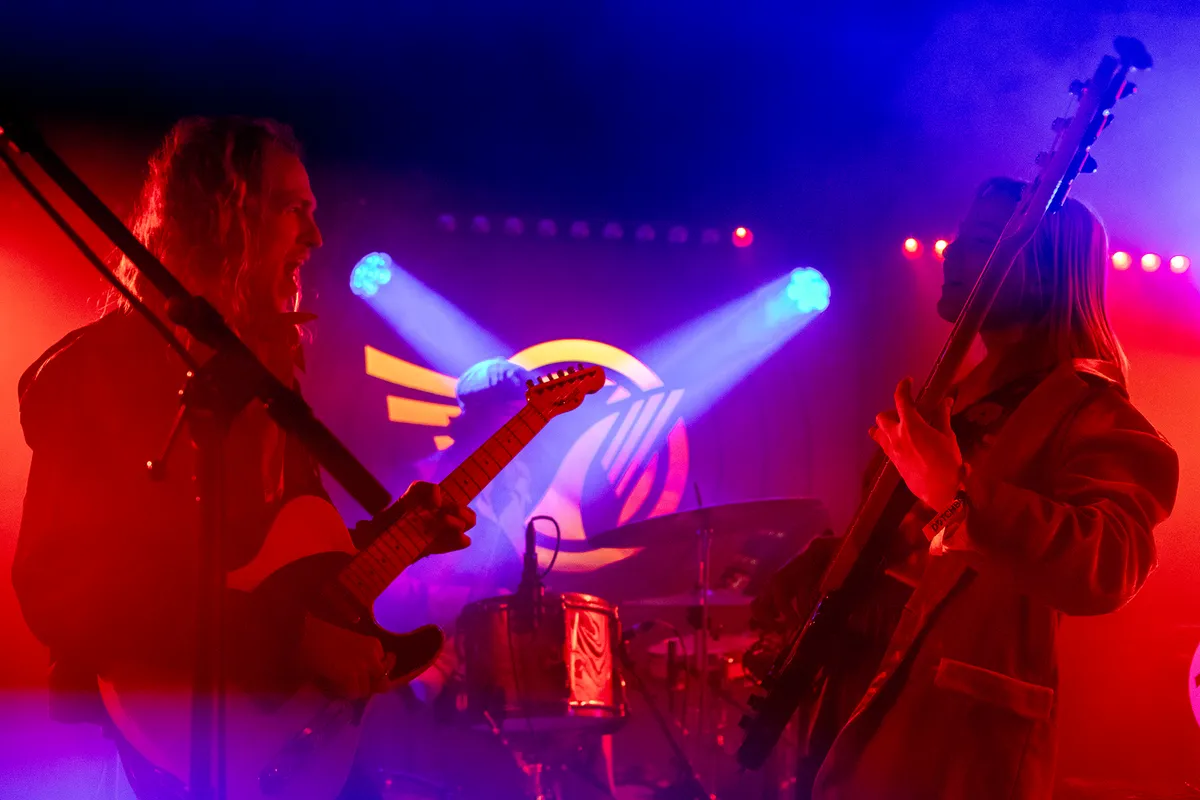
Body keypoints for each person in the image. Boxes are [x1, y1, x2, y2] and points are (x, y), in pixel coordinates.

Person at [11, 117, 476, 800]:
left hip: (296, 741)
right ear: (223, 216)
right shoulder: (100, 370)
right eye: (292, 209)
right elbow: (64, 588)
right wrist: (292, 637)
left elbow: (286, 569)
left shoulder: (266, 378)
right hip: (170, 747)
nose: (316, 238)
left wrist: (397, 537)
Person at [751, 177, 1179, 799]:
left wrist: (955, 493)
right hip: (858, 698)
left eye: (980, 239)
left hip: (954, 740)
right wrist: (837, 562)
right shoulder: (949, 398)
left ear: (1045, 266)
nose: (952, 252)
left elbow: (1109, 563)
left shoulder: (1092, 412)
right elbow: (915, 553)